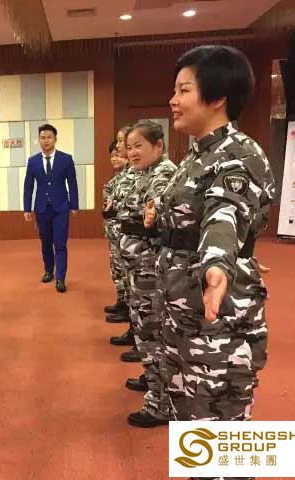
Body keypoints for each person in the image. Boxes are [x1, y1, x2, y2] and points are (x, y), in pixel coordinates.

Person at [145, 45, 274, 480]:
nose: (173, 100)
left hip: (216, 320)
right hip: (186, 315)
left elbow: (225, 214)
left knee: (220, 437)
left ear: (218, 97)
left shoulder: (239, 155)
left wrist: (220, 263)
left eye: (184, 90)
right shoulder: (197, 155)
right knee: (194, 429)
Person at [118, 120, 176, 427]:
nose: (132, 152)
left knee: (153, 332)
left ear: (158, 146)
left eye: (138, 146)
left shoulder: (163, 174)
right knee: (145, 330)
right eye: (129, 147)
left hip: (151, 269)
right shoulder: (143, 173)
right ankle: (153, 380)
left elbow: (154, 215)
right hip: (138, 268)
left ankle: (160, 403)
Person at [23, 123, 79, 292]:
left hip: (61, 207)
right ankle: (49, 270)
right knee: (46, 242)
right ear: (39, 140)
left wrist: (74, 205)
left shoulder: (66, 159)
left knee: (60, 243)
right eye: (43, 137)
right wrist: (27, 209)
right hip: (41, 208)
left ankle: (61, 279)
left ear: (55, 139)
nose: (46, 140)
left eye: (49, 137)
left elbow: (72, 184)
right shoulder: (33, 161)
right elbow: (28, 186)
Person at [103, 126, 136, 335]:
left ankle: (132, 320)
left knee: (132, 280)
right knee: (119, 272)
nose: (118, 146)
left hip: (133, 238)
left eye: (121, 141)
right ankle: (124, 305)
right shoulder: (125, 175)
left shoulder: (138, 173)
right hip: (118, 232)